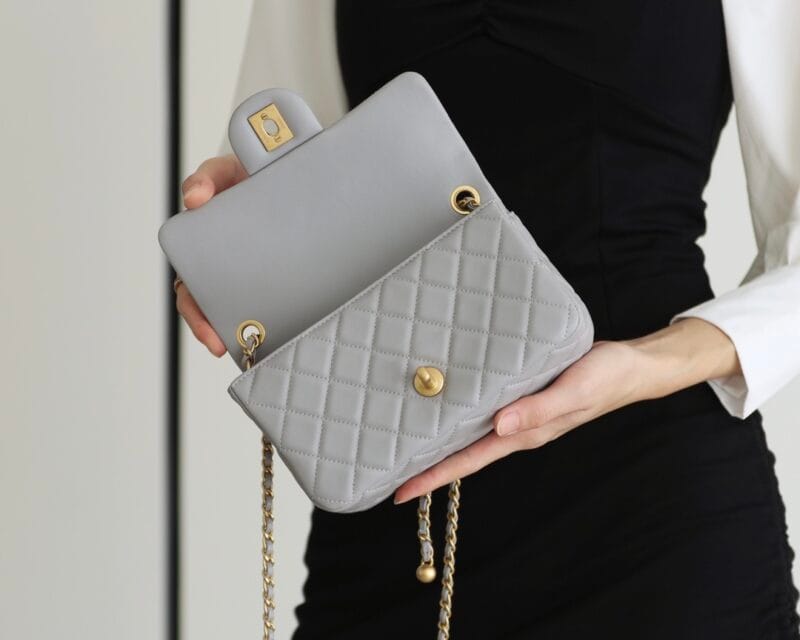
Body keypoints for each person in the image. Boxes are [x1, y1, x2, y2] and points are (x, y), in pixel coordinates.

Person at [175, 1, 800, 637]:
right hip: (395, 487)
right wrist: (242, 234)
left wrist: (647, 363)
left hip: (656, 515)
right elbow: (281, 168)